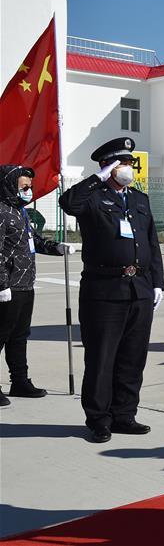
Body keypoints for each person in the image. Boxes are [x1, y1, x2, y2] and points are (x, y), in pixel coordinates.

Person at [59, 137, 164, 443]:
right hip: (104, 290)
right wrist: (98, 179)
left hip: (139, 288)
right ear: (108, 167)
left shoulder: (139, 199)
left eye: (131, 163)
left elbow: (152, 244)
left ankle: (124, 415)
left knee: (133, 357)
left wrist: (158, 282)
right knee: (101, 358)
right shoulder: (92, 198)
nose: (129, 168)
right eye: (123, 163)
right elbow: (69, 203)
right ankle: (98, 419)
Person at [0, 165, 74, 406]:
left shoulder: (20, 211)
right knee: (1, 336)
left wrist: (57, 248)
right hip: (7, 287)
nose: (28, 191)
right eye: (24, 187)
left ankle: (19, 381)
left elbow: (35, 242)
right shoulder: (1, 212)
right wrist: (1, 285)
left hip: (25, 284)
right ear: (10, 186)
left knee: (19, 336)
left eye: (29, 187)